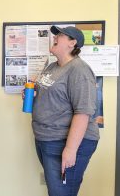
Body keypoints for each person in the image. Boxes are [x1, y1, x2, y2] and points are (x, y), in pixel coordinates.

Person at [31, 25, 99, 196]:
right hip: (46, 139)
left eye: (60, 35)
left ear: (72, 43)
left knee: (61, 193)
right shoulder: (53, 67)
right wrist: (31, 95)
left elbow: (83, 113)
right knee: (56, 191)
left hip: (64, 142)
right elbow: (51, 97)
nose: (54, 37)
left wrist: (70, 150)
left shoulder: (79, 70)